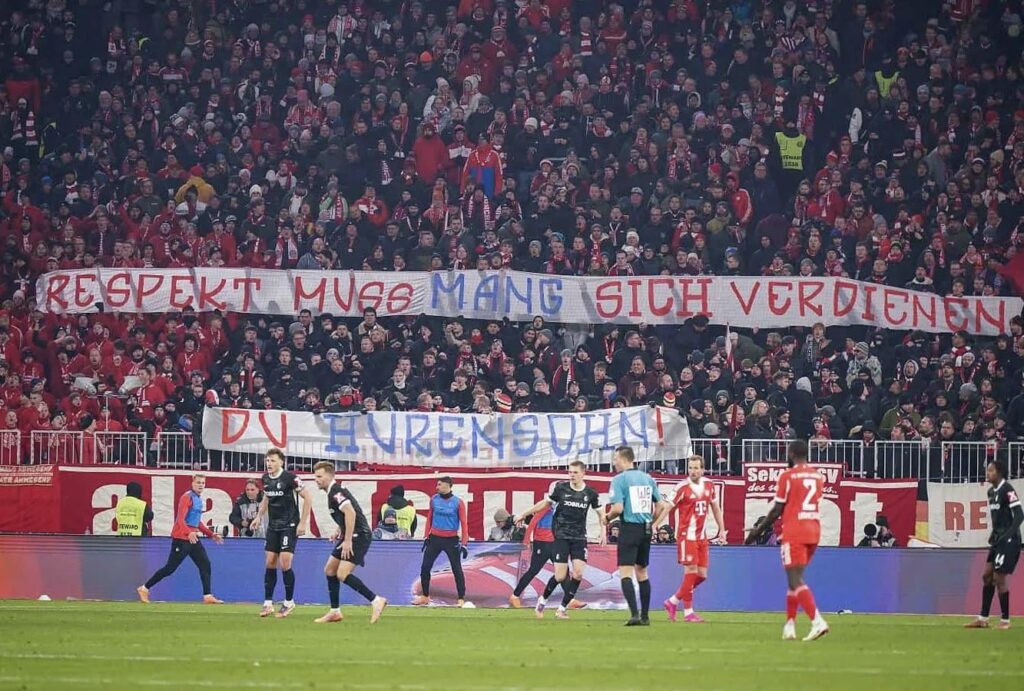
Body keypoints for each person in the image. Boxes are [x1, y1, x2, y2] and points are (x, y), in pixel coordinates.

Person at [744, 440, 829, 641]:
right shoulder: (817, 476)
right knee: (795, 581)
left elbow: (777, 510)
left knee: (794, 579)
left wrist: (757, 531)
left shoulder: (788, 476)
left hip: (795, 532)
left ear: (791, 454)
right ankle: (789, 626)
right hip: (813, 530)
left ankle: (817, 621)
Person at [519, 460, 605, 620]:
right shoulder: (561, 489)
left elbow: (601, 513)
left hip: (579, 538)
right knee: (560, 576)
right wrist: (524, 514)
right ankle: (542, 601)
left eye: (575, 472)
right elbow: (544, 504)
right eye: (570, 472)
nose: (572, 475)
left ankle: (561, 609)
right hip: (561, 537)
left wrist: (603, 531)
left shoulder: (590, 493)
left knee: (578, 573)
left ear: (583, 474)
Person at [311, 461, 387, 624]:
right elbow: (344, 515)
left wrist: (347, 541)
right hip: (350, 534)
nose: (316, 480)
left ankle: (376, 600)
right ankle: (335, 611)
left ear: (330, 476)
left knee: (342, 574)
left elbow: (350, 513)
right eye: (315, 476)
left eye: (319, 476)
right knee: (330, 570)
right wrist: (339, 530)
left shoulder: (336, 492)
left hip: (359, 536)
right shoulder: (333, 492)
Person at [607, 446, 671, 626]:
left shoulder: (619, 479)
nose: (614, 463)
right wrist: (651, 521)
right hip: (645, 529)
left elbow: (617, 508)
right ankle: (645, 616)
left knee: (625, 571)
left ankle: (634, 614)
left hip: (629, 528)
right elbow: (661, 505)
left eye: (615, 459)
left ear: (623, 459)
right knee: (642, 571)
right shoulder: (647, 478)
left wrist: (607, 518)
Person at [137, 474, 223, 604]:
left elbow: (197, 522)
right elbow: (180, 520)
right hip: (181, 538)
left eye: (203, 483)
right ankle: (144, 588)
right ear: (192, 483)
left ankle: (207, 595)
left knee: (205, 564)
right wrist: (188, 532)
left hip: (192, 538)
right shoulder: (186, 497)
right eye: (198, 482)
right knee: (170, 568)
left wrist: (211, 534)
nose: (201, 485)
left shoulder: (198, 499)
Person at [249, 447, 313, 618]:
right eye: (267, 460)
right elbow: (266, 498)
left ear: (281, 462)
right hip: (273, 526)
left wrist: (302, 522)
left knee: (285, 563)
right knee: (270, 562)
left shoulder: (290, 478)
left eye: (273, 461)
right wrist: (258, 517)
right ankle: (268, 603)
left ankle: (289, 602)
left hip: (289, 525)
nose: (269, 464)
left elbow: (308, 497)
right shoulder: (265, 479)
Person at [664, 455, 726, 623]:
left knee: (702, 575)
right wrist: (656, 523)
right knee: (690, 573)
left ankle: (673, 601)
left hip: (702, 537)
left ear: (702, 469)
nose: (693, 471)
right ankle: (688, 612)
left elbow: (716, 508)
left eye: (696, 468)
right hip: (686, 536)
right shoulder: (682, 487)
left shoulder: (709, 485)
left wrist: (722, 529)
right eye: (690, 468)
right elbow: (668, 506)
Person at [965, 460, 1022, 630]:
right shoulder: (991, 492)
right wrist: (994, 534)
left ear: (999, 472)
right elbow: (998, 518)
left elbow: (1019, 515)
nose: (987, 473)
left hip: (1009, 541)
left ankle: (1005, 620)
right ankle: (983, 618)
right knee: (986, 576)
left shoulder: (1008, 490)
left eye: (990, 470)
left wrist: (1008, 536)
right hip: (997, 540)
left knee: (999, 578)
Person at [413, 476, 468, 606]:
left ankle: (461, 599)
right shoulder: (433, 500)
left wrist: (464, 543)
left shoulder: (458, 502)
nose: (436, 487)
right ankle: (425, 596)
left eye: (439, 484)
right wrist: (426, 536)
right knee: (425, 567)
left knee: (457, 569)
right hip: (435, 539)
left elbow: (464, 523)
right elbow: (429, 518)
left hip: (451, 540)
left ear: (447, 485)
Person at [508, 503, 556, 609]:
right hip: (542, 543)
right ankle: (515, 595)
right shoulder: (546, 506)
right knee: (533, 570)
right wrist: (526, 541)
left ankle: (570, 599)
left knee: (562, 572)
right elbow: (534, 521)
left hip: (554, 542)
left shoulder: (560, 507)